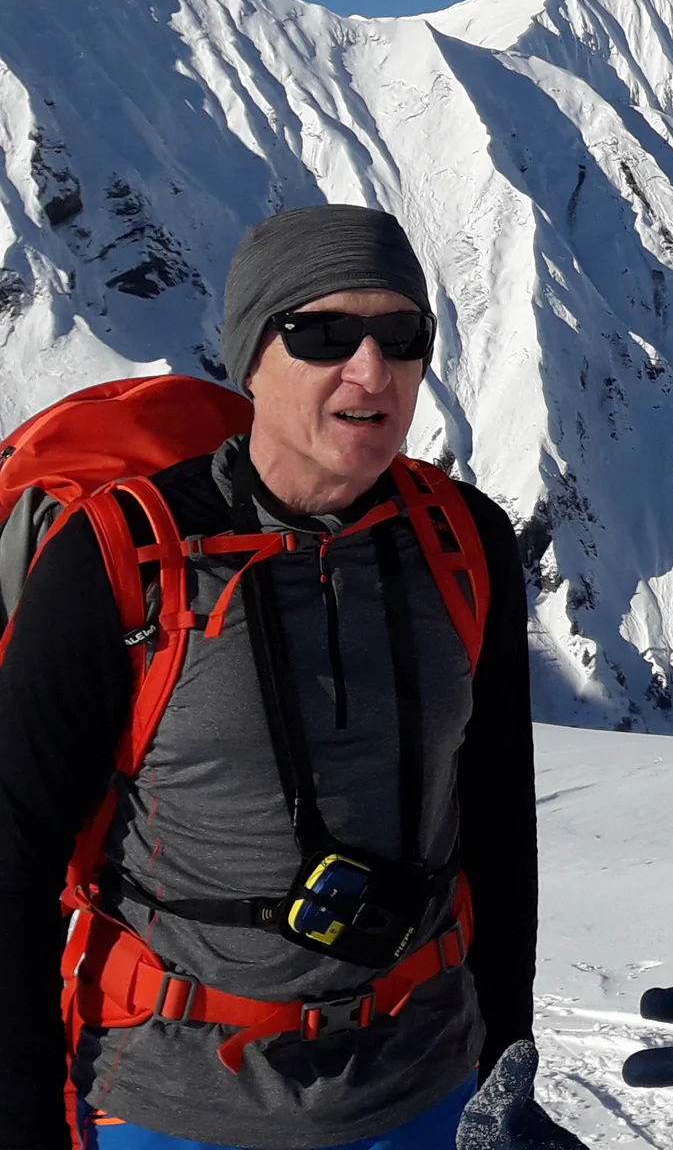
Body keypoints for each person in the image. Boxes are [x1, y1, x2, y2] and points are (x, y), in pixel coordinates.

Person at [0, 206, 541, 1149]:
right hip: (169, 1101)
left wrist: (508, 1051)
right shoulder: (121, 560)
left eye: (401, 336)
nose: (369, 371)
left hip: (423, 1080)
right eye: (324, 333)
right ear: (252, 355)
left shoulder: (465, 540)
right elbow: (11, 852)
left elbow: (497, 813)